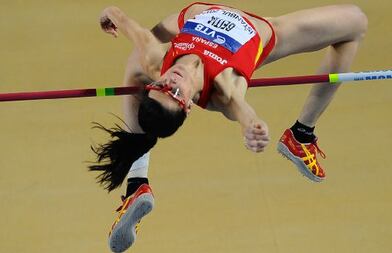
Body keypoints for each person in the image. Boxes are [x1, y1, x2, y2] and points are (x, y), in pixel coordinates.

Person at [89, 2, 368, 252]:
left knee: (136, 64)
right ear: (188, 105)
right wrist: (252, 126)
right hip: (269, 30)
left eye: (161, 86)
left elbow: (126, 23)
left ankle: (136, 183)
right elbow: (240, 109)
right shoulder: (223, 89)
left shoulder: (156, 63)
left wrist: (110, 14)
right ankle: (301, 134)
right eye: (175, 93)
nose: (171, 82)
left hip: (192, 16)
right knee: (355, 21)